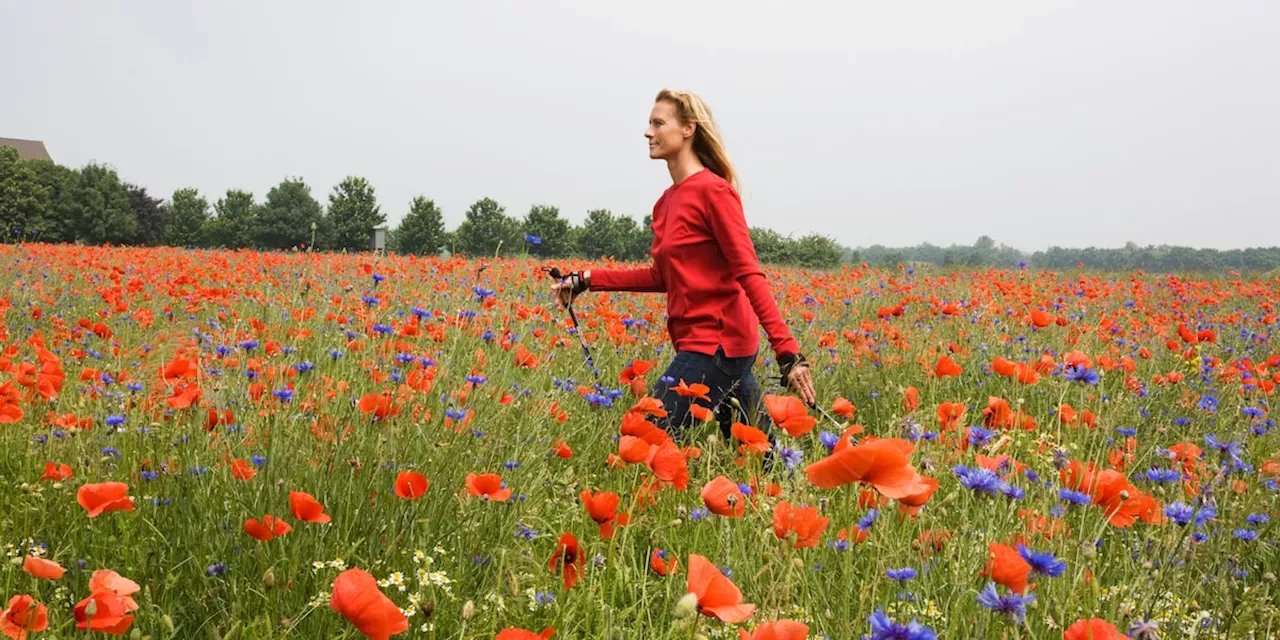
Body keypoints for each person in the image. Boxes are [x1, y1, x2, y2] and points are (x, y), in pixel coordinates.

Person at [552, 88, 815, 443]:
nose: (648, 132)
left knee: (643, 438)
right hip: (708, 346)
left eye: (658, 123)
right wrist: (587, 279)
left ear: (688, 129)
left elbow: (748, 272)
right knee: (758, 454)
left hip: (717, 346)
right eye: (649, 123)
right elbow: (662, 276)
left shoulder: (714, 192)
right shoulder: (666, 203)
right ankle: (790, 494)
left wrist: (788, 353)